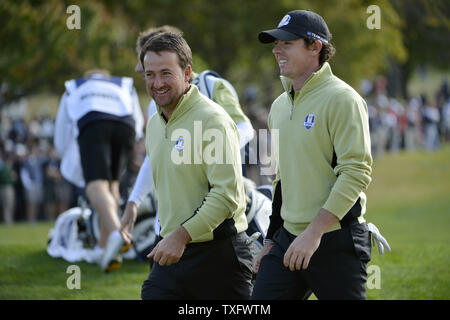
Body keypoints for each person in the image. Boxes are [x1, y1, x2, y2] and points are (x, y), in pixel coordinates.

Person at [252, 10, 376, 300]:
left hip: (336, 239)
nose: (277, 49)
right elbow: (281, 180)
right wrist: (271, 239)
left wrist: (314, 233)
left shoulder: (343, 99)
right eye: (275, 43)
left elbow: (356, 172)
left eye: (286, 43)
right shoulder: (279, 106)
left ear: (315, 47)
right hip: (287, 240)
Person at [121, 31, 252, 299]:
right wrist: (135, 203)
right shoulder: (156, 123)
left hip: (219, 257)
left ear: (187, 72)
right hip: (169, 250)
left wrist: (180, 237)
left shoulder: (213, 119)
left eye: (166, 73)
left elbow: (226, 196)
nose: (157, 83)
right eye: (150, 74)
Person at [54, 69, 144, 272]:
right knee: (112, 187)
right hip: (125, 126)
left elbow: (61, 130)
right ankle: (104, 249)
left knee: (95, 187)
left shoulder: (73, 86)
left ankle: (116, 235)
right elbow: (137, 120)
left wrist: (65, 154)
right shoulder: (123, 83)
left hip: (93, 123)